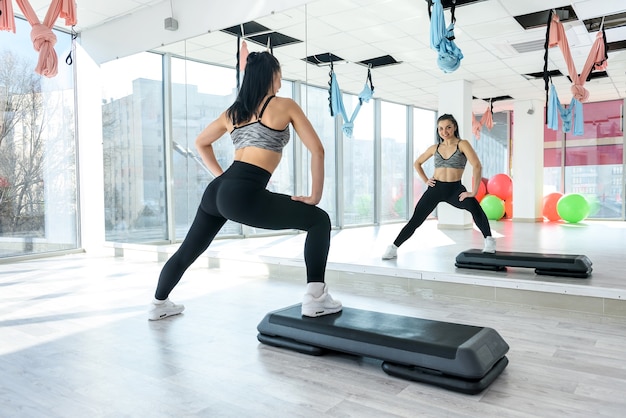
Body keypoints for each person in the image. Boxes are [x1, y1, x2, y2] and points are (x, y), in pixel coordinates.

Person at [149, 51, 342, 320]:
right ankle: (316, 297)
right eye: (279, 76)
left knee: (188, 250)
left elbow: (201, 142)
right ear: (270, 76)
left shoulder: (233, 113)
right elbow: (318, 150)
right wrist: (314, 196)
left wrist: (220, 176)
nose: (281, 83)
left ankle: (159, 305)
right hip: (243, 191)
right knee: (319, 220)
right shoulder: (285, 105)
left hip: (218, 191)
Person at [382, 113, 496, 260]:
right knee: (416, 219)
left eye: (448, 127)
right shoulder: (435, 148)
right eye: (441, 128)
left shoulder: (462, 144)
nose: (444, 131)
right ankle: (393, 248)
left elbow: (477, 166)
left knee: (475, 208)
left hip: (455, 189)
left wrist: (473, 192)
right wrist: (425, 180)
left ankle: (489, 241)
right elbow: (417, 163)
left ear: (454, 127)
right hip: (435, 189)